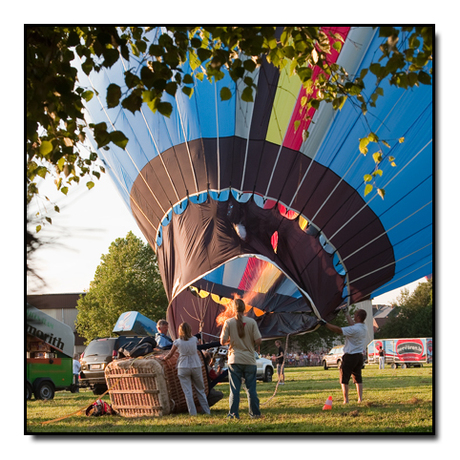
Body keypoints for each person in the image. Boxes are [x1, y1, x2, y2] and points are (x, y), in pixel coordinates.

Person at [220, 298, 262, 419]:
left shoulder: (228, 322)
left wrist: (231, 339)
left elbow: (222, 341)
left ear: (233, 309)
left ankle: (233, 414)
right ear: (245, 309)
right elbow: (258, 340)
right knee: (251, 389)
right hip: (249, 359)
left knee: (234, 389)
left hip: (234, 359)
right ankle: (255, 413)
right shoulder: (252, 322)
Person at [321, 308, 368, 404]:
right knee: (358, 378)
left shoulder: (354, 329)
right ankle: (360, 399)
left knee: (344, 378)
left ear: (358, 317)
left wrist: (325, 324)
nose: (354, 316)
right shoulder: (363, 327)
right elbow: (353, 325)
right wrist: (346, 314)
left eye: (355, 315)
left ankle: (346, 400)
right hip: (359, 356)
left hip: (350, 356)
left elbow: (338, 330)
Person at [163, 322, 211, 416]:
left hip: (183, 366)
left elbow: (170, 354)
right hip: (195, 364)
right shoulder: (194, 339)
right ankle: (206, 410)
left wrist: (164, 358)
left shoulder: (177, 342)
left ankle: (192, 413)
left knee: (188, 392)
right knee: (200, 389)